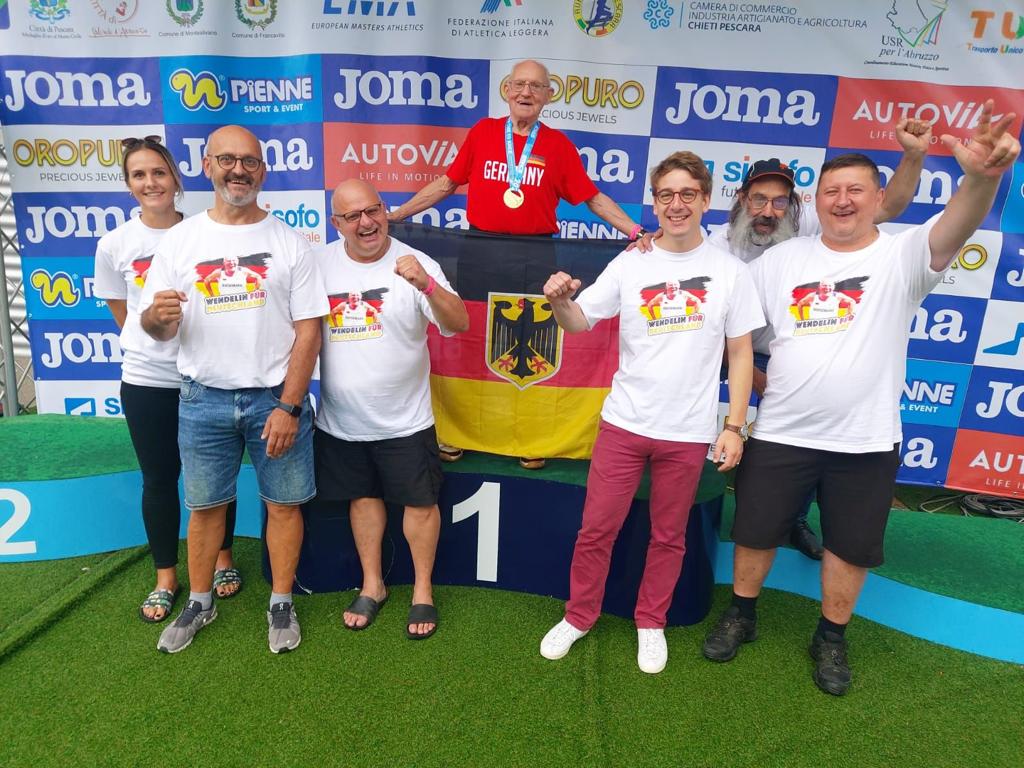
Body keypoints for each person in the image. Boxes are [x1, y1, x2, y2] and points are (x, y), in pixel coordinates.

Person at [702, 101, 1020, 695]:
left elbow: (958, 222)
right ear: (816, 202)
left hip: (865, 440)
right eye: (831, 191)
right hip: (781, 432)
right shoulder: (780, 261)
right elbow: (735, 334)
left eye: (855, 190)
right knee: (754, 531)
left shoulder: (903, 255)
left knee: (849, 547)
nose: (842, 200)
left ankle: (831, 636)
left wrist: (982, 178)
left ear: (879, 199)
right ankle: (742, 613)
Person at [538, 151, 764, 673]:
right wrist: (558, 301)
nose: (676, 204)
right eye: (666, 195)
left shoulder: (730, 272)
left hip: (687, 432)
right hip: (624, 424)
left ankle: (651, 622)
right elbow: (579, 322)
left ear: (705, 200)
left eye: (687, 194)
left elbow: (740, 354)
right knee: (596, 530)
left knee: (668, 536)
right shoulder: (631, 262)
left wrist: (734, 426)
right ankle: (579, 616)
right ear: (655, 203)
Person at [388, 58, 653, 470]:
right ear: (507, 91)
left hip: (536, 255)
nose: (526, 92)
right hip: (480, 250)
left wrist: (635, 230)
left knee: (531, 348)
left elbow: (593, 198)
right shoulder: (483, 132)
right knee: (467, 340)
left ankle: (532, 437)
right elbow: (447, 183)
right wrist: (398, 215)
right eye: (519, 84)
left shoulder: (559, 146)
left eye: (536, 86)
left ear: (549, 95)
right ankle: (457, 432)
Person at [139, 125, 327, 654]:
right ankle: (200, 601)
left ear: (262, 170)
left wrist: (289, 405)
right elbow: (155, 328)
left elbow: (309, 331)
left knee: (284, 506)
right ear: (207, 166)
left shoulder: (289, 242)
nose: (237, 170)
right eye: (226, 160)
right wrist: (156, 317)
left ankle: (281, 601)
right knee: (204, 508)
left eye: (248, 161)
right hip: (202, 399)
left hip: (275, 399)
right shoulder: (181, 241)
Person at [707, 121, 931, 560]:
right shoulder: (719, 245)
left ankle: (793, 518)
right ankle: (710, 506)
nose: (769, 211)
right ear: (742, 200)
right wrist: (756, 377)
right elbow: (715, 328)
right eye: (759, 199)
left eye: (779, 201)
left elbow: (890, 205)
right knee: (716, 420)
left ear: (794, 204)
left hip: (792, 348)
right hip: (733, 349)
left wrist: (914, 156)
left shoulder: (814, 219)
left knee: (807, 437)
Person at [92, 136, 241, 624]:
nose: (150, 183)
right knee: (159, 479)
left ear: (176, 179)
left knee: (217, 479)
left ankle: (222, 558)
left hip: (206, 376)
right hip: (147, 380)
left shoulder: (206, 233)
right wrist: (153, 346)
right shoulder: (114, 245)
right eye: (139, 175)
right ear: (128, 184)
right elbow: (124, 314)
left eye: (158, 172)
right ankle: (165, 577)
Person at [311, 179, 468, 640]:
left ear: (384, 211)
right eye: (353, 216)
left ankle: (423, 589)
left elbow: (458, 323)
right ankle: (372, 585)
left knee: (420, 504)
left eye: (373, 210)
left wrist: (427, 285)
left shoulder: (417, 263)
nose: (367, 222)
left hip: (406, 420)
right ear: (336, 223)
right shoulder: (318, 265)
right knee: (363, 499)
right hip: (342, 421)